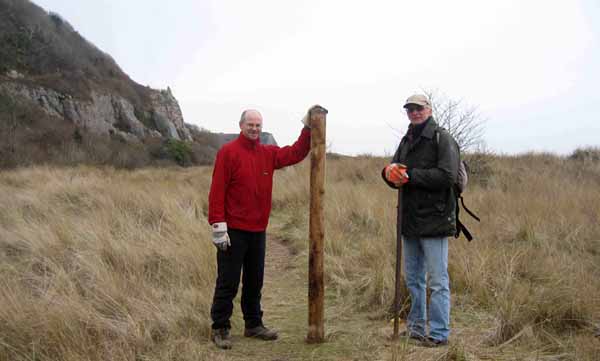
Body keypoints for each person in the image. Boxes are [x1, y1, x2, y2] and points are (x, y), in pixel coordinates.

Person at [208, 107, 318, 349]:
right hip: (233, 229)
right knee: (228, 281)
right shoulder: (228, 152)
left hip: (258, 229)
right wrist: (218, 226)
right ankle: (220, 328)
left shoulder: (267, 154)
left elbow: (296, 153)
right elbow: (217, 190)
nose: (254, 129)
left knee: (254, 280)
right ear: (241, 126)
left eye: (258, 125)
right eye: (250, 125)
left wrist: (308, 127)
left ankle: (253, 324)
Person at [382, 94, 460, 347]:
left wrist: (410, 176)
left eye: (419, 108)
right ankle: (416, 328)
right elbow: (396, 171)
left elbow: (447, 175)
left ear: (429, 109)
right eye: (410, 109)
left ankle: (439, 333)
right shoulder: (407, 140)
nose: (414, 113)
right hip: (410, 218)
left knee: (437, 281)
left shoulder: (442, 138)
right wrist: (387, 173)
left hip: (435, 219)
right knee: (414, 278)